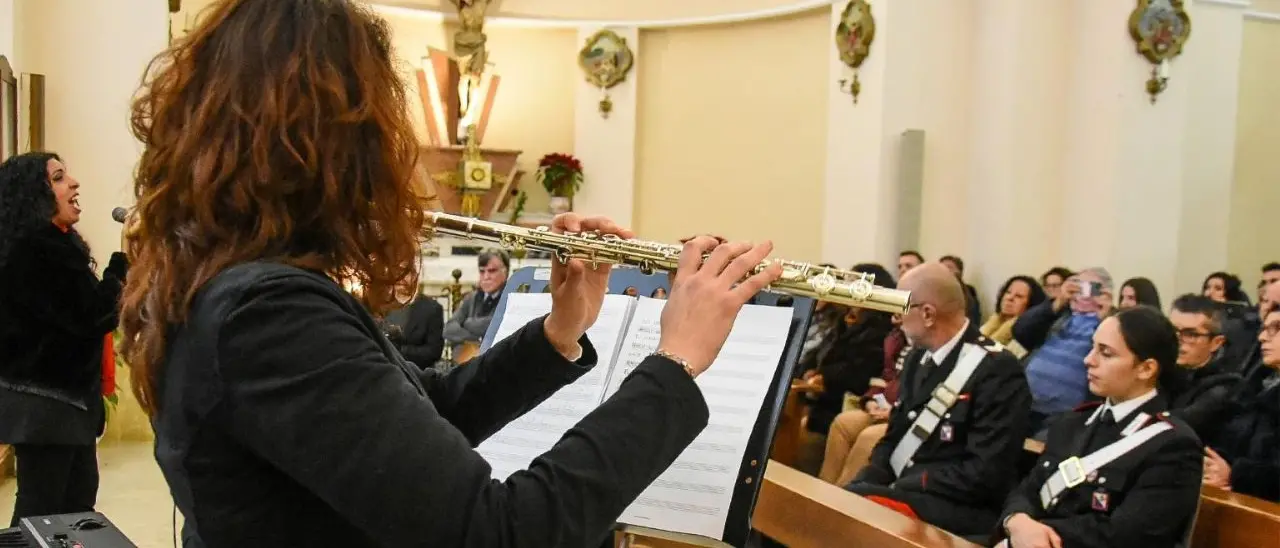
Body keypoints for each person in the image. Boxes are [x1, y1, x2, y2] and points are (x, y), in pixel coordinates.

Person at [119, 1, 785, 546]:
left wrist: (560, 330)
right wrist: (675, 362)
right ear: (329, 142)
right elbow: (502, 533)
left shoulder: (245, 288)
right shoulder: (266, 313)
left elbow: (422, 417)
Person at [845, 262, 1031, 539]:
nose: (896, 317)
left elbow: (984, 472)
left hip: (959, 505)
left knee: (849, 512)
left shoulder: (998, 371)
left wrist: (902, 486)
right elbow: (893, 437)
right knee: (834, 502)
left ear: (928, 314)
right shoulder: (919, 358)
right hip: (912, 491)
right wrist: (867, 479)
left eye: (902, 306)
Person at [994, 306, 1203, 548]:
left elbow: (1128, 535)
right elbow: (1028, 490)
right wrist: (1017, 520)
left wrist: (1038, 534)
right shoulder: (1073, 422)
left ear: (1146, 368)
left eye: (1106, 353)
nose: (1088, 360)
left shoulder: (1172, 445)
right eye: (1093, 347)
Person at [0, 151, 129, 525]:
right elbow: (94, 314)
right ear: (33, 194)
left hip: (68, 404)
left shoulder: (59, 245)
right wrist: (123, 258)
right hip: (44, 405)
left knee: (75, 507)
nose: (73, 183)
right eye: (58, 178)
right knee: (43, 512)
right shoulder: (33, 252)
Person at [1203, 307, 1280, 502]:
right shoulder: (1254, 386)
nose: (1262, 337)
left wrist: (1236, 474)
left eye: (1276, 329)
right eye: (1264, 328)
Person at [1167, 294, 1240, 437]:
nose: (1178, 340)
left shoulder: (1225, 387)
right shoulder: (1160, 370)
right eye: (1172, 331)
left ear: (1216, 343)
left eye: (1190, 335)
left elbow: (1178, 425)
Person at [443, 249, 509, 360]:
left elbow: (496, 326)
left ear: (505, 272)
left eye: (492, 271)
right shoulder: (471, 297)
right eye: (482, 271)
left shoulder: (511, 298)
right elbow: (449, 329)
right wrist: (477, 339)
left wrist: (467, 323)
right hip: (468, 362)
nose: (486, 277)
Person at [383, 291, 446, 370]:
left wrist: (399, 351)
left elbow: (434, 352)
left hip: (414, 375)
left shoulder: (432, 308)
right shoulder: (379, 303)